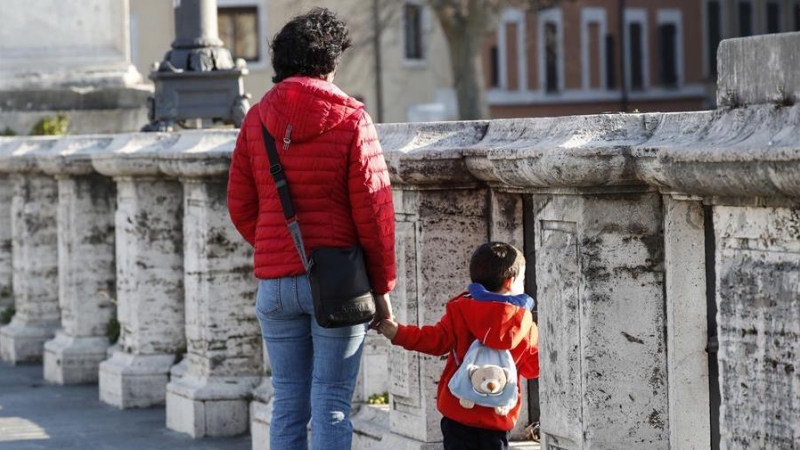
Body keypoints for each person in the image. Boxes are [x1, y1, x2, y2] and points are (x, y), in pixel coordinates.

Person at [226, 7, 396, 450]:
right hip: (339, 283)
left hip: (276, 286)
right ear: (329, 63)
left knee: (288, 401)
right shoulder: (352, 119)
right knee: (332, 402)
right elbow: (374, 214)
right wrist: (382, 289)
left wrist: (277, 250)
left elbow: (241, 206)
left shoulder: (256, 119)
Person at [377, 242, 539, 450]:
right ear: (510, 282)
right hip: (498, 417)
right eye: (523, 279)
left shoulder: (460, 310)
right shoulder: (524, 324)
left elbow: (433, 340)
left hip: (458, 412)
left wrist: (398, 332)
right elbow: (533, 369)